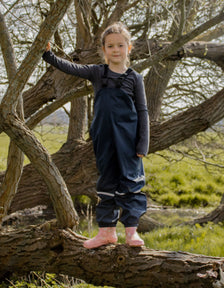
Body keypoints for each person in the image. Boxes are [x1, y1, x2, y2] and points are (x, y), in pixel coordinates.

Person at [42, 22, 149, 249]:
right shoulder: (97, 73)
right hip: (104, 139)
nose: (116, 50)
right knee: (107, 183)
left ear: (129, 48)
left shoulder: (135, 78)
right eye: (110, 46)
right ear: (104, 49)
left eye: (120, 45)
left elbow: (142, 111)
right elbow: (71, 68)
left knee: (130, 184)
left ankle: (131, 233)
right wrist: (48, 55)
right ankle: (106, 232)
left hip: (129, 142)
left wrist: (143, 143)